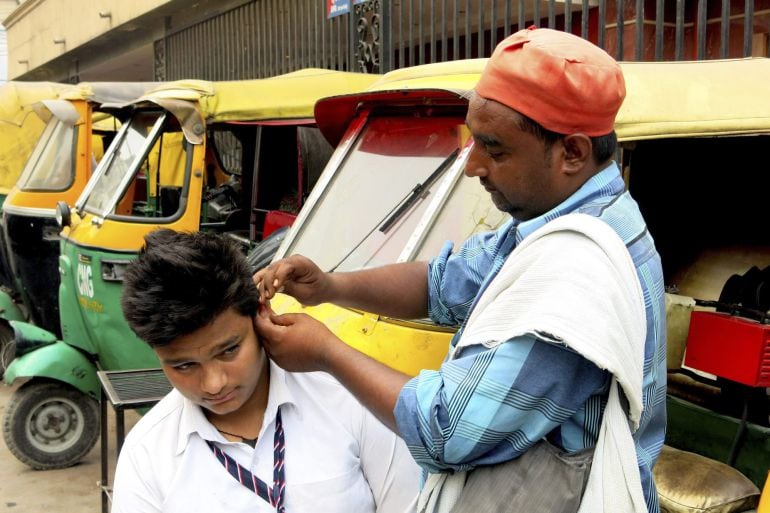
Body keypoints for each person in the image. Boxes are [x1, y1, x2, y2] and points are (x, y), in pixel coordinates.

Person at [255, 27, 666, 513]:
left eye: (493, 149)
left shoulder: (578, 274)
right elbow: (443, 283)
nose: (473, 166)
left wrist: (326, 351)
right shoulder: (560, 219)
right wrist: (330, 286)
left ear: (572, 153)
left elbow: (446, 431)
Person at [113, 229, 420, 513]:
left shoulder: (349, 401)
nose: (214, 384)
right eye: (184, 366)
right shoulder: (147, 456)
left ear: (261, 313)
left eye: (229, 350)